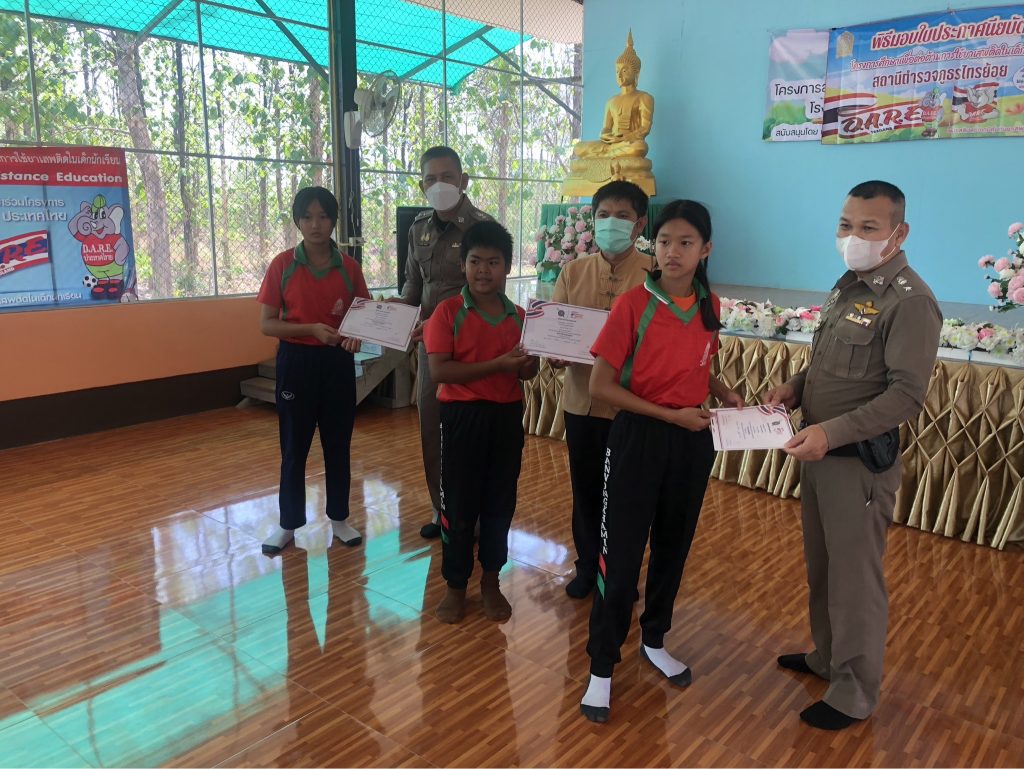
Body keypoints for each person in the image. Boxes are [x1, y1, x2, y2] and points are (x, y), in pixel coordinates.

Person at [765, 181, 941, 731]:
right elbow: (828, 365)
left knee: (855, 581)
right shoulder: (848, 287)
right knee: (822, 568)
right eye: (846, 224)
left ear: (898, 233)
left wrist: (832, 431)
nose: (853, 236)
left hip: (858, 464)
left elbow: (905, 396)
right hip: (820, 455)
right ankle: (826, 658)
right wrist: (794, 389)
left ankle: (854, 692)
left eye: (869, 227)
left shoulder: (910, 302)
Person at [580, 200, 744, 723]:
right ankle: (601, 667)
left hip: (691, 442)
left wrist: (723, 391)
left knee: (673, 547)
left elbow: (697, 363)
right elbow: (601, 385)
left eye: (686, 243)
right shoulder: (634, 304)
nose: (673, 252)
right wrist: (670, 416)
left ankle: (654, 639)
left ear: (706, 249)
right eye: (665, 241)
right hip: (639, 437)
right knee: (621, 556)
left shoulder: (708, 304)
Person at [423, 220, 539, 623]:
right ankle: (456, 586)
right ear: (462, 265)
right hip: (461, 419)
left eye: (493, 262)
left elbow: (526, 374)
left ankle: (491, 581)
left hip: (505, 418)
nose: (483, 270)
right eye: (475, 261)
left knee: (499, 504)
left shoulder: (520, 316)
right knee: (458, 505)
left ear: (507, 267)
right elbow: (440, 371)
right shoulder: (447, 312)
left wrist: (534, 357)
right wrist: (499, 364)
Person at [550, 181, 654, 600]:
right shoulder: (573, 271)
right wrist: (554, 353)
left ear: (640, 224)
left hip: (632, 406)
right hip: (581, 402)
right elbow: (554, 334)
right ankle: (587, 566)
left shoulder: (656, 274)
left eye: (623, 216)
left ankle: (620, 574)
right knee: (586, 489)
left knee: (627, 494)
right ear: (592, 221)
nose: (612, 223)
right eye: (604, 215)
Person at [257, 186, 371, 555]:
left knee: (338, 444)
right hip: (296, 362)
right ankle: (288, 524)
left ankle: (339, 519)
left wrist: (355, 337)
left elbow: (364, 320)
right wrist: (310, 330)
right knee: (294, 447)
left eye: (323, 216)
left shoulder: (350, 268)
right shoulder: (282, 265)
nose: (315, 224)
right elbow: (267, 324)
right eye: (307, 217)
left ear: (334, 221)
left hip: (337, 364)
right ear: (297, 221)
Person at [393, 146, 494, 539]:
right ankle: (443, 509)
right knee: (431, 427)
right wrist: (396, 310)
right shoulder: (418, 227)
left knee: (471, 431)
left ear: (463, 180)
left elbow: (488, 291)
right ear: (422, 186)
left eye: (447, 177)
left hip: (471, 346)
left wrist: (441, 322)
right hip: (430, 349)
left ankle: (477, 513)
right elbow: (413, 284)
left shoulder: (482, 228)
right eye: (431, 179)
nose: (440, 185)